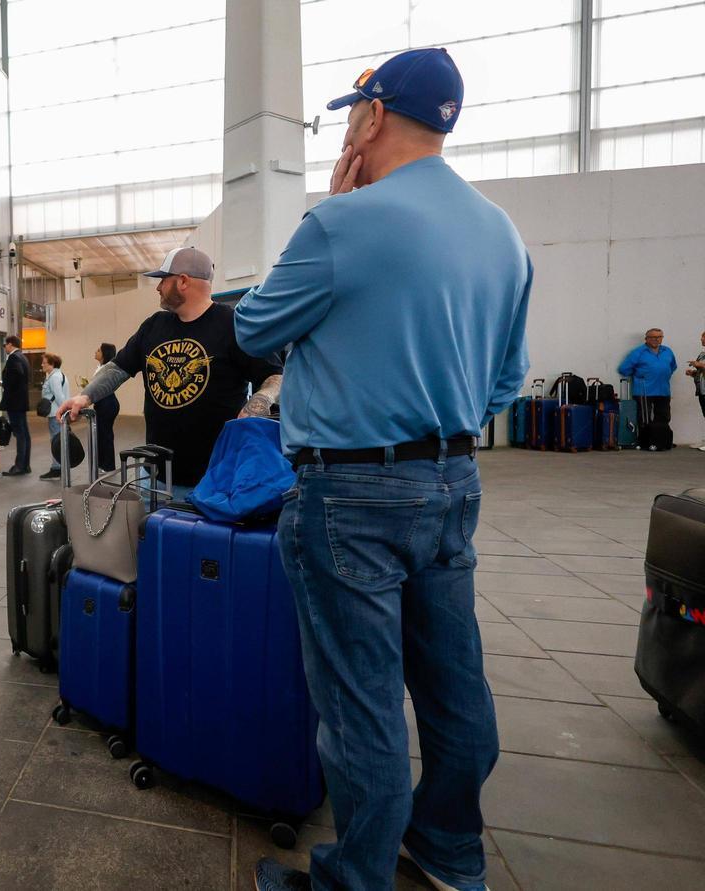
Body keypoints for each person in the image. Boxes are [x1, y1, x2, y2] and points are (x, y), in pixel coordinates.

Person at [234, 48, 531, 891]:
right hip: (453, 483)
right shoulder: (502, 234)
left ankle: (352, 880)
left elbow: (256, 329)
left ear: (371, 116)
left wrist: (332, 207)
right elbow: (506, 381)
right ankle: (449, 851)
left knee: (361, 706)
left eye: (350, 112)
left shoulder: (345, 223)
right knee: (453, 683)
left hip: (351, 494)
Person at [57, 247, 282, 499]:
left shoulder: (233, 325)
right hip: (154, 476)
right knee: (151, 538)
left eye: (163, 280)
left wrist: (258, 404)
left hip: (213, 479)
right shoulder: (154, 325)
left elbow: (275, 376)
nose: (158, 287)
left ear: (183, 281)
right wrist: (84, 397)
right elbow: (118, 368)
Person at [619, 328, 677, 448]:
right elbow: (624, 369)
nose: (656, 339)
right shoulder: (638, 352)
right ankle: (645, 441)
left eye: (659, 337)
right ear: (646, 338)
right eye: (653, 337)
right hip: (644, 391)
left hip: (663, 390)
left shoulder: (667, 351)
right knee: (644, 419)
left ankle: (662, 441)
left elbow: (672, 367)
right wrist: (640, 376)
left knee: (664, 416)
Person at [1, 334, 32, 476]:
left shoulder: (14, 358)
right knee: (24, 433)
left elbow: (16, 376)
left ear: (10, 344)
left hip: (14, 402)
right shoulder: (23, 357)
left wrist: (6, 384)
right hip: (21, 400)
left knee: (20, 433)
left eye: (4, 345)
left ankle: (19, 466)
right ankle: (25, 464)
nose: (4, 348)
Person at [39, 353, 70, 481]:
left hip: (55, 414)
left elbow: (59, 397)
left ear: (52, 364)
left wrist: (62, 412)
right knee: (58, 440)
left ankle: (57, 468)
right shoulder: (57, 375)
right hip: (57, 413)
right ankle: (59, 466)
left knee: (56, 441)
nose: (42, 365)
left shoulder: (54, 378)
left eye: (44, 363)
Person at [92, 343, 120, 472]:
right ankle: (102, 463)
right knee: (101, 434)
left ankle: (108, 465)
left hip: (107, 404)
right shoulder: (100, 367)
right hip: (103, 403)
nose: (96, 352)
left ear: (104, 354)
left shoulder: (107, 369)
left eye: (98, 350)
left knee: (105, 435)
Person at [686, 330, 705, 451]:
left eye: (704, 338)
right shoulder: (702, 354)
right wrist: (693, 373)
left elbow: (702, 366)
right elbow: (701, 372)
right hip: (702, 389)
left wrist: (700, 365)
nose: (701, 340)